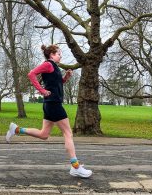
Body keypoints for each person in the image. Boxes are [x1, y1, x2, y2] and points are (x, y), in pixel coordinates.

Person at [5, 44, 92, 178]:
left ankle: (16, 129)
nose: (60, 55)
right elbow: (31, 74)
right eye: (58, 53)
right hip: (54, 104)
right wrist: (42, 91)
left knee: (44, 134)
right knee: (68, 133)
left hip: (50, 104)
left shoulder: (54, 67)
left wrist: (66, 77)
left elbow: (56, 84)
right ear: (51, 55)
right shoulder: (48, 65)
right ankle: (75, 167)